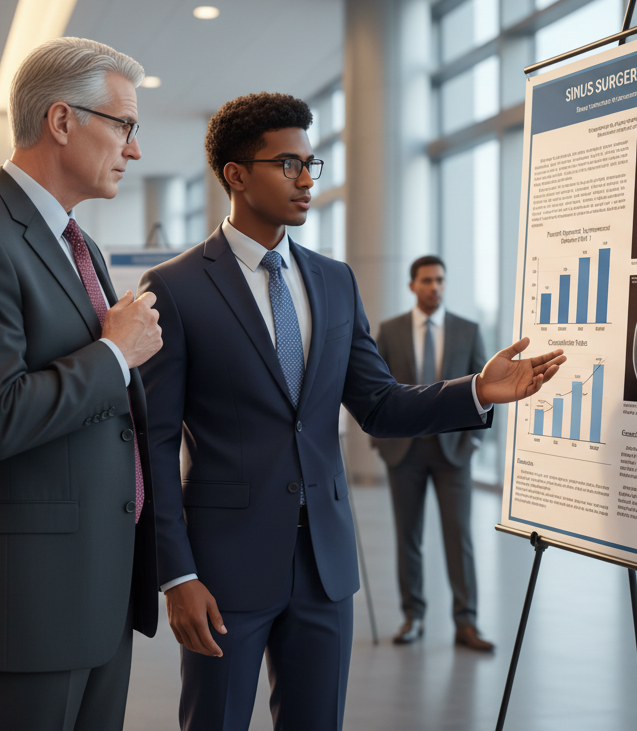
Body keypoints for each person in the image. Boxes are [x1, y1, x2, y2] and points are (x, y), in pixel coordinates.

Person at [139, 92, 565, 730]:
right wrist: (177, 574)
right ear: (235, 174)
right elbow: (154, 442)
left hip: (326, 568)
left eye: (312, 163)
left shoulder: (334, 280)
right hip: (223, 569)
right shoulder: (174, 287)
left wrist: (477, 390)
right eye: (288, 165)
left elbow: (380, 403)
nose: (307, 179)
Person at [0, 37, 162, 731]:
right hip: (25, 605)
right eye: (124, 125)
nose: (133, 149)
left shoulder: (78, 244)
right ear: (61, 121)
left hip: (97, 589)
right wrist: (115, 355)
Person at [374, 256, 492, 650]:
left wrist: (474, 442)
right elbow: (374, 391)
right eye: (426, 281)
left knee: (459, 537)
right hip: (403, 453)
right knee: (408, 537)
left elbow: (488, 389)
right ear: (412, 286)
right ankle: (414, 616)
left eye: (440, 280)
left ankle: (466, 622)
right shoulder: (389, 331)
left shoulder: (468, 330)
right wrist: (380, 439)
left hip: (453, 452)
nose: (434, 287)